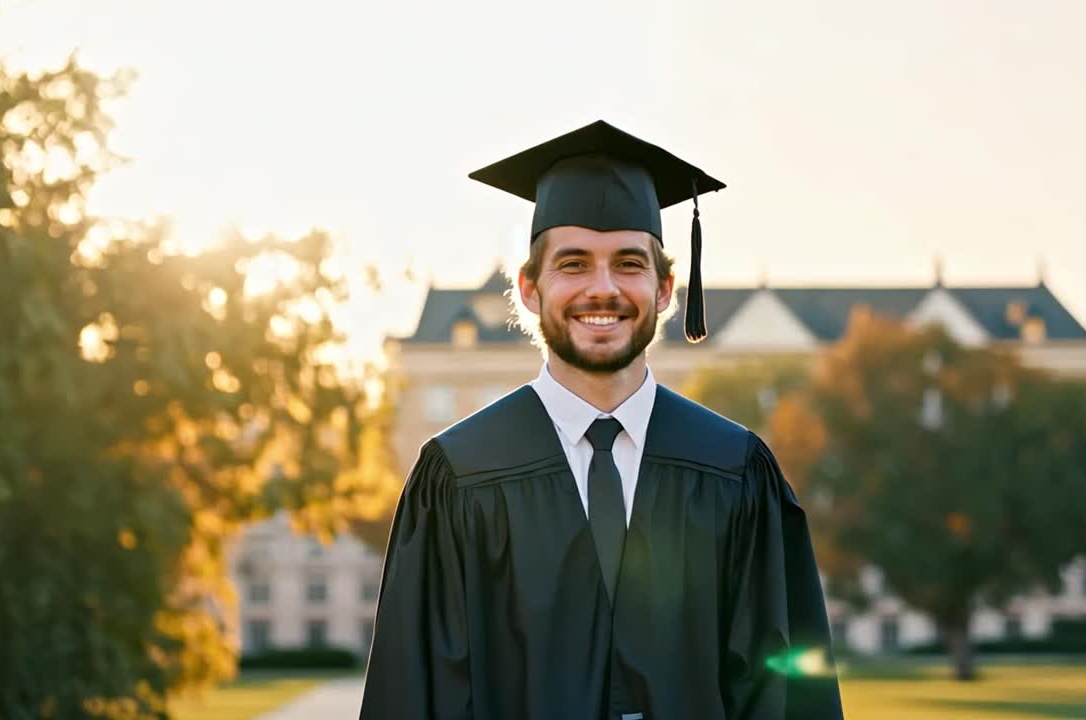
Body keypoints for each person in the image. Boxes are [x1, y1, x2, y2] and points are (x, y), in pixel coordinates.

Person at [359, 120, 843, 720]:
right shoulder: (458, 477)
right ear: (530, 290)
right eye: (574, 264)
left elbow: (788, 693)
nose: (603, 288)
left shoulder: (736, 473)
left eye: (629, 264)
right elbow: (414, 698)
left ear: (666, 288)